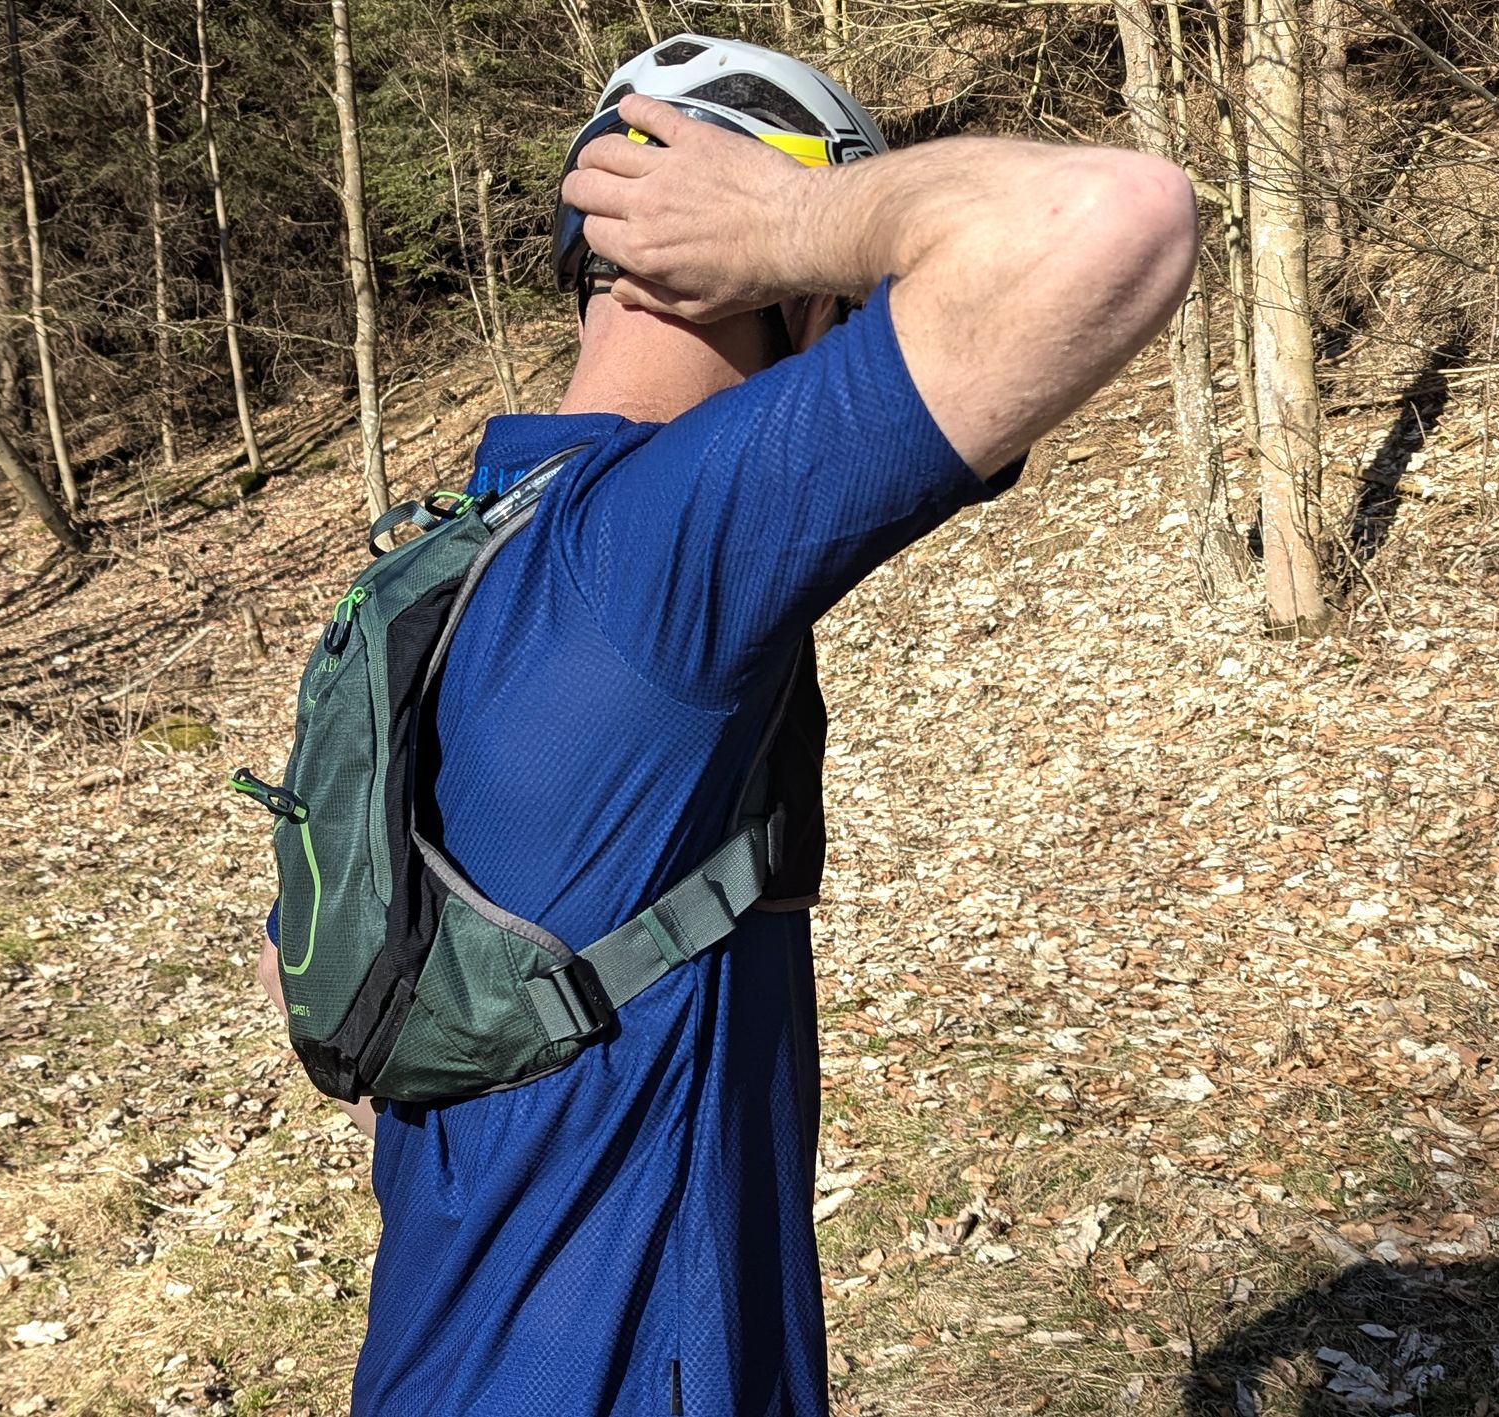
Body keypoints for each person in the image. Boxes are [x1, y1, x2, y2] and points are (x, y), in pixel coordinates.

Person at [256, 34, 1198, 1416]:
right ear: (796, 299)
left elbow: (333, 986)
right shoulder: (655, 560)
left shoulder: (451, 570)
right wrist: (800, 221)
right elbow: (1118, 221)